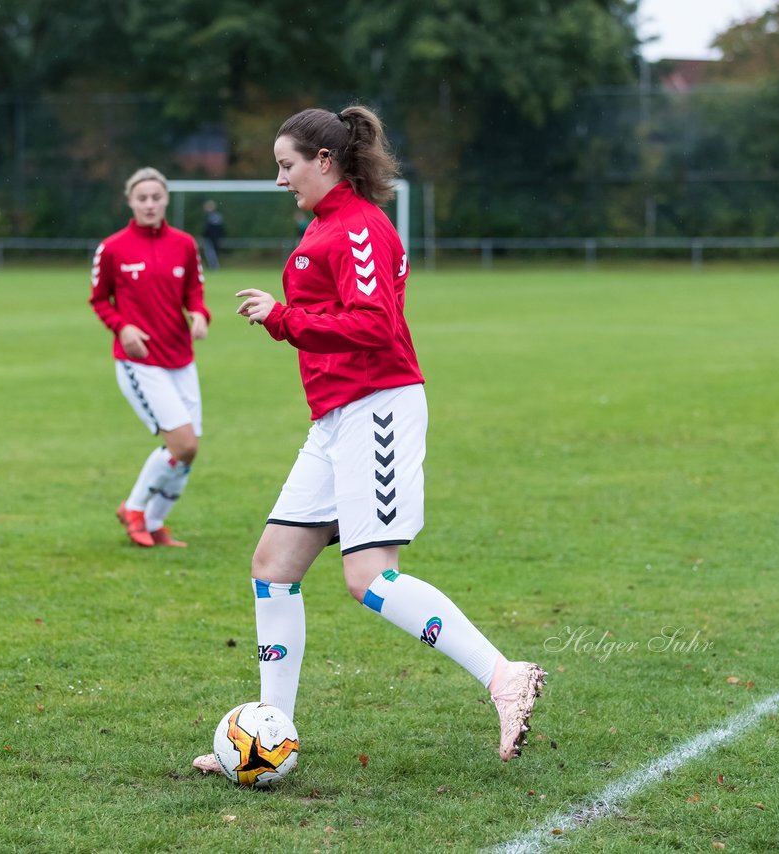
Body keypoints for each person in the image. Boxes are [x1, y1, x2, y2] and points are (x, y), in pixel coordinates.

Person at [193, 106, 545, 774]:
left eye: (286, 165)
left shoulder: (358, 228)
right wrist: (286, 320)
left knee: (369, 578)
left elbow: (376, 325)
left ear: (324, 160)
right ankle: (268, 740)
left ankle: (505, 676)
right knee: (273, 568)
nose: (278, 180)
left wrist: (284, 317)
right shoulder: (328, 225)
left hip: (377, 409)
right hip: (334, 420)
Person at [89, 167, 211, 548]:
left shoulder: (185, 244)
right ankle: (135, 508)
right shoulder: (112, 248)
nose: (149, 204)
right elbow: (99, 300)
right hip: (140, 362)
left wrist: (200, 315)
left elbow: (195, 292)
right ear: (130, 201)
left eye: (156, 197)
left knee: (189, 449)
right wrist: (122, 327)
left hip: (181, 358)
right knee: (183, 444)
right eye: (142, 198)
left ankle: (155, 522)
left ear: (166, 200)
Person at [201, 200, 224, 270]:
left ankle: (215, 266)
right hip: (210, 238)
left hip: (213, 238)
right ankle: (213, 266)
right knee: (210, 253)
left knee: (212, 253)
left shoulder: (215, 216)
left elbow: (216, 229)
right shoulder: (208, 216)